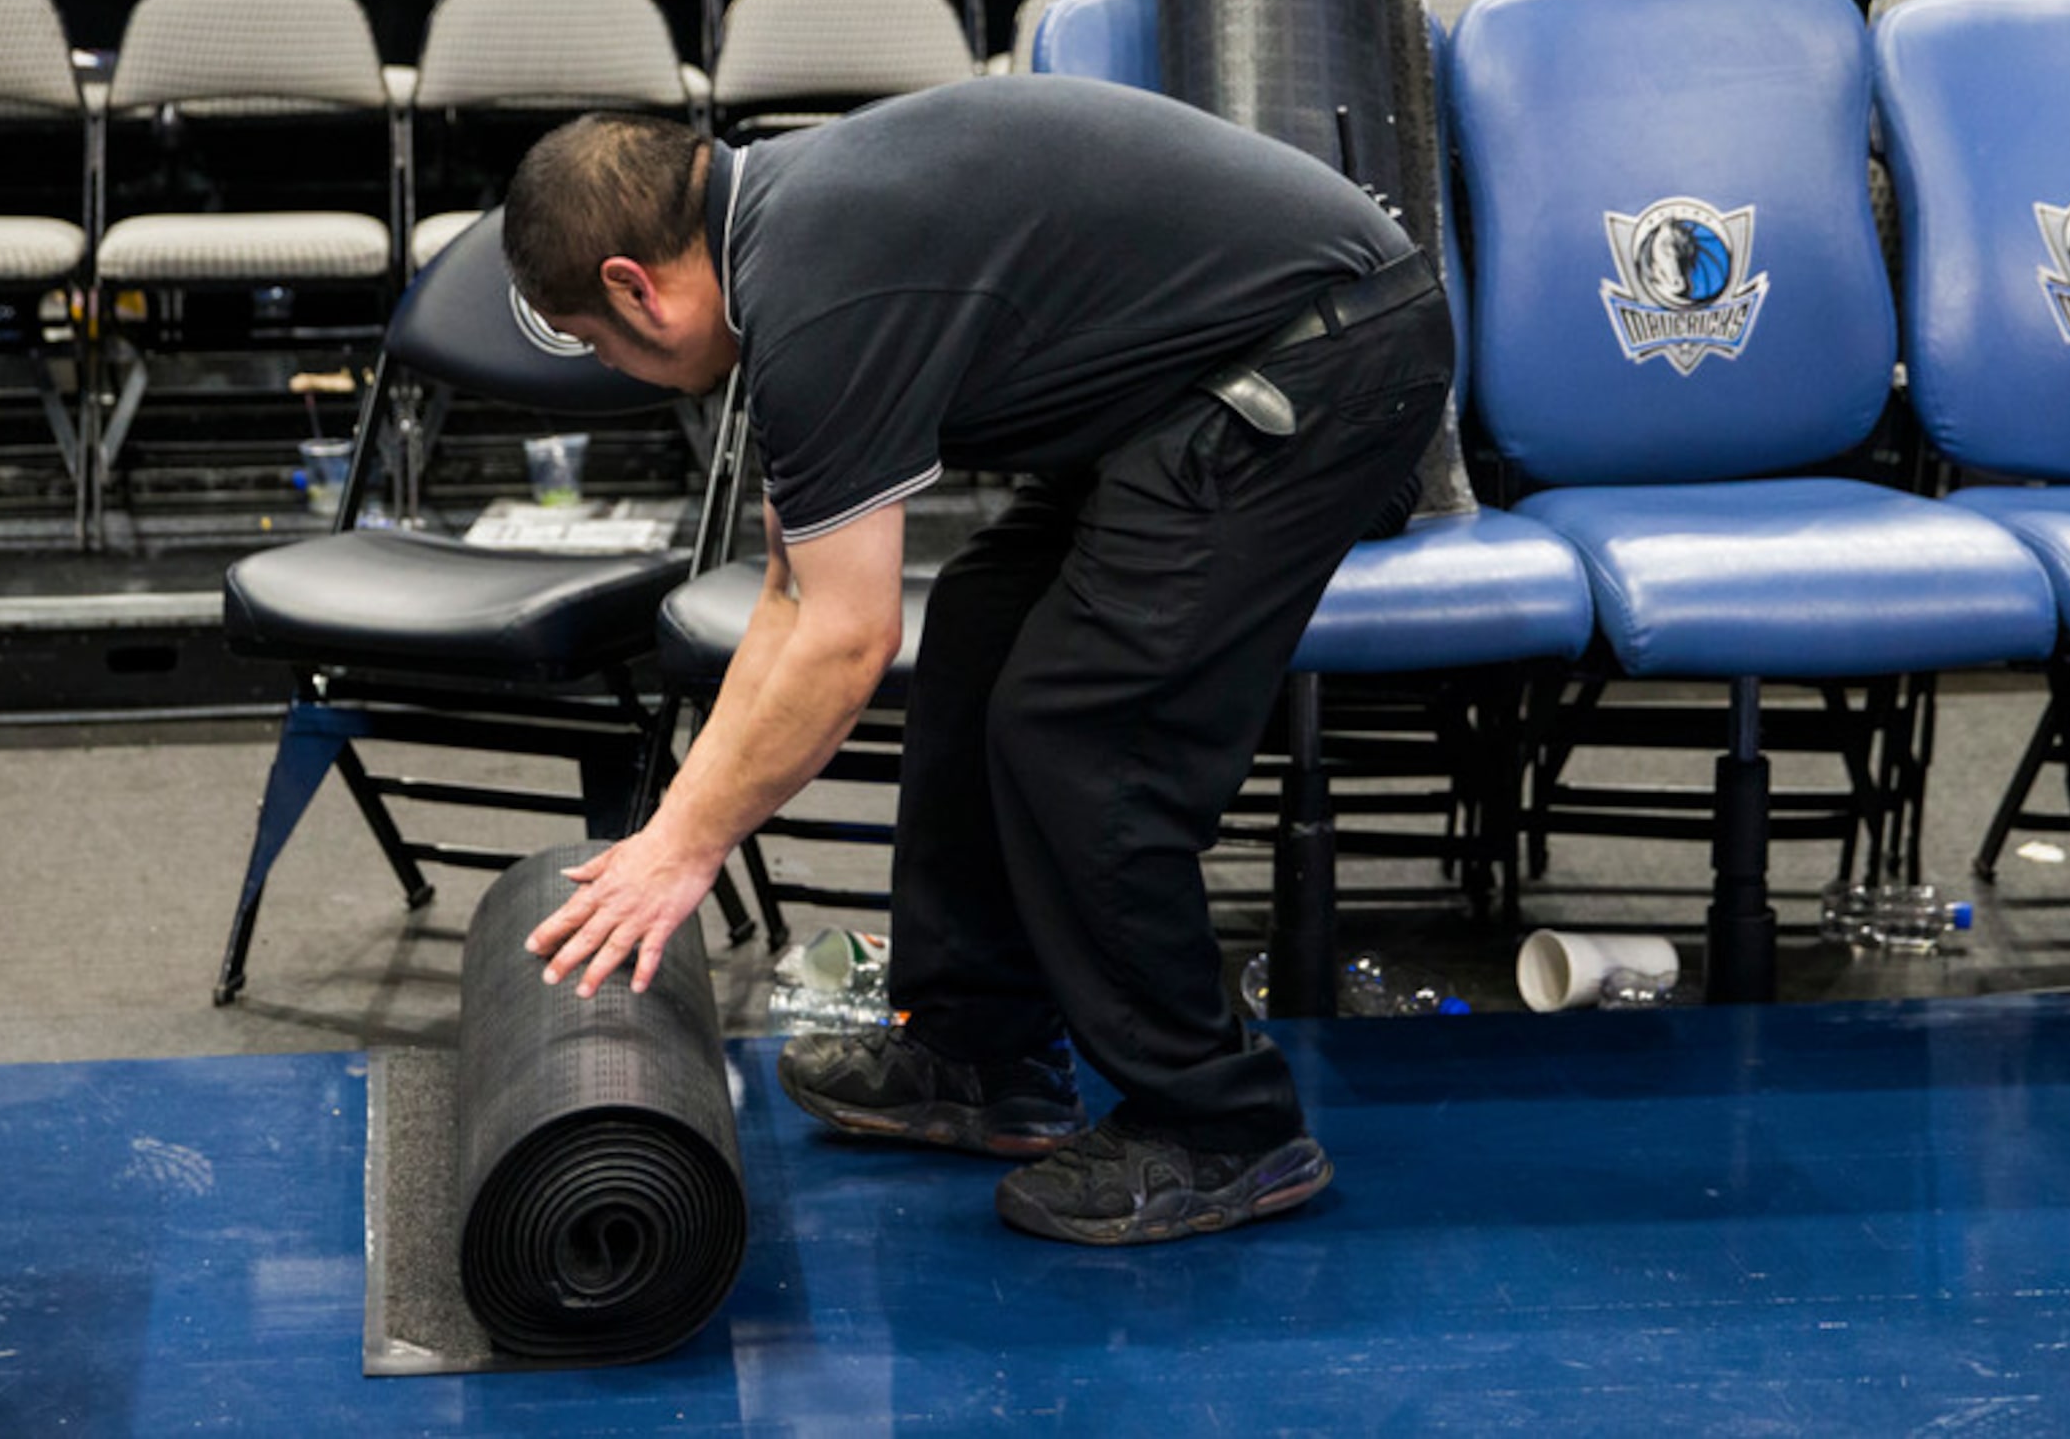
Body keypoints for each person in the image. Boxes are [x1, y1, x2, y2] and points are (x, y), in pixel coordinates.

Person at [511, 74, 1452, 1246]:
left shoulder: (813, 296)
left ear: (632, 288)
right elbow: (792, 600)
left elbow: (846, 645)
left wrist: (684, 850)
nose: (613, 369)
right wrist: (672, 832)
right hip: (1195, 377)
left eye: (600, 347)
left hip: (1329, 354)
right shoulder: (781, 241)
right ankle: (982, 1056)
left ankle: (1223, 1128)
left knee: (1078, 727)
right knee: (977, 625)